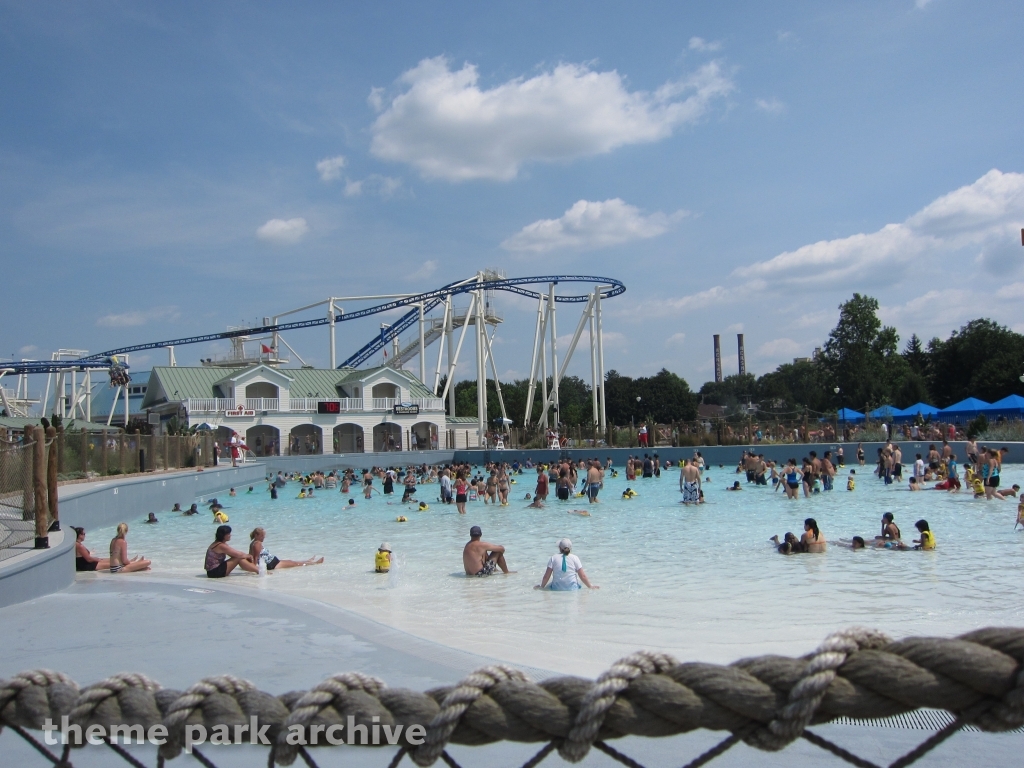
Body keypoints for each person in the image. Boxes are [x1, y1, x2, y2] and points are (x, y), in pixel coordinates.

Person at [249, 528, 323, 570]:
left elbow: (251, 556)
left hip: (272, 562)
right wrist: (256, 570)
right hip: (272, 564)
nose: (264, 537)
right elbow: (255, 558)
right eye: (262, 536)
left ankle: (308, 561)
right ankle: (315, 563)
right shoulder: (257, 544)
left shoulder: (253, 543)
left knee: (291, 561)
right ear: (256, 535)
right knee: (296, 564)